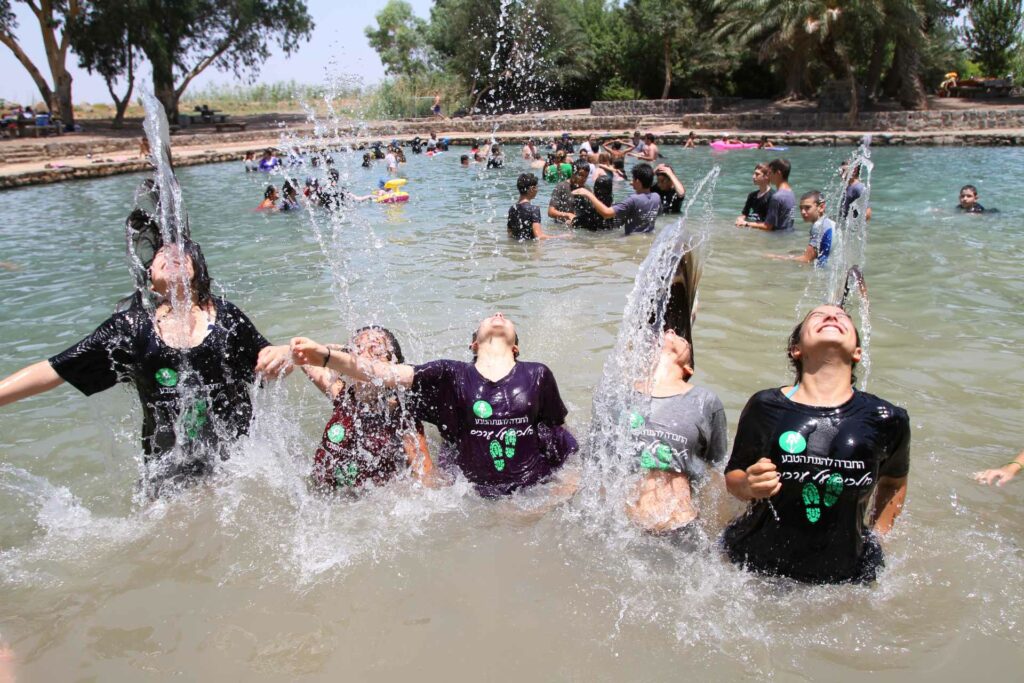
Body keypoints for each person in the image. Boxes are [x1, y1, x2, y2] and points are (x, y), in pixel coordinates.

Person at [0, 224, 293, 495]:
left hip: (238, 462)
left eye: (183, 254)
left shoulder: (228, 317)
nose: (172, 255)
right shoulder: (130, 328)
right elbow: (55, 370)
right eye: (161, 255)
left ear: (199, 272)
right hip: (169, 469)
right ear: (151, 281)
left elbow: (270, 366)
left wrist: (283, 355)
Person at [289, 313, 579, 497]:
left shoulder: (537, 374)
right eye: (361, 348)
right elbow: (368, 370)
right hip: (322, 493)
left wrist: (567, 481)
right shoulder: (342, 395)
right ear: (473, 345)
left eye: (377, 349)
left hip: (530, 484)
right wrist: (321, 351)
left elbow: (558, 432)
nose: (368, 352)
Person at [721, 305, 910, 584]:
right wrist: (749, 485)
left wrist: (877, 537)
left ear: (857, 352)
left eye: (842, 317)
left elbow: (894, 482)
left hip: (845, 573)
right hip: (756, 564)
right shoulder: (766, 406)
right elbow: (733, 477)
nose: (832, 317)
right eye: (817, 316)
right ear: (796, 349)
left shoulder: (886, 418)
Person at [300, 326, 434, 491]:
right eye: (358, 350)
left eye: (376, 352)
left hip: (366, 504)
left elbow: (426, 476)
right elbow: (305, 357)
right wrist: (339, 352)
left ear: (393, 366)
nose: (365, 358)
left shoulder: (402, 418)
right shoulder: (340, 393)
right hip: (321, 497)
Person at [625, 330, 727, 533]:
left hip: (681, 522)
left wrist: (715, 531)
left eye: (682, 338)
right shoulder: (617, 395)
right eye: (666, 331)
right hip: (626, 524)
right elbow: (597, 462)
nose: (670, 331)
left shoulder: (705, 401)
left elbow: (715, 469)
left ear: (689, 368)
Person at [572, 163, 661, 235]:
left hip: (631, 241)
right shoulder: (656, 197)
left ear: (638, 181)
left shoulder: (633, 200)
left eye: (633, 179)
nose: (631, 183)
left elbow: (606, 213)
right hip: (648, 239)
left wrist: (588, 194)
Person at [765, 191, 834, 266]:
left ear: (821, 207)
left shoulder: (818, 226)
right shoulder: (831, 223)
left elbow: (806, 259)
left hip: (824, 272)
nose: (803, 212)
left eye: (807, 207)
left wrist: (777, 257)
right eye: (801, 208)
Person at [738, 158, 795, 231]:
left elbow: (768, 227)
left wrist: (746, 224)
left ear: (778, 173)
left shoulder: (777, 197)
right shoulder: (790, 193)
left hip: (777, 238)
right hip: (787, 235)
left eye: (770, 173)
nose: (769, 176)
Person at [509, 173, 570, 241]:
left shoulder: (512, 208)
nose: (537, 190)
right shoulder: (534, 209)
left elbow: (510, 234)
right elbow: (539, 237)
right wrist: (561, 236)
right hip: (529, 249)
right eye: (536, 187)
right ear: (532, 188)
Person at [548, 159, 590, 225]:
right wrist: (567, 215)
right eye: (581, 175)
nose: (583, 179)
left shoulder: (587, 189)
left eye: (586, 176)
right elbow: (550, 212)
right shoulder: (561, 187)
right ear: (573, 173)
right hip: (561, 227)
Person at [735, 163, 774, 228]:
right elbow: (744, 214)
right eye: (754, 174)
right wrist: (740, 219)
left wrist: (746, 224)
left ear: (767, 176)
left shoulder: (773, 197)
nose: (753, 176)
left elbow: (769, 226)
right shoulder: (752, 195)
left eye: (757, 174)